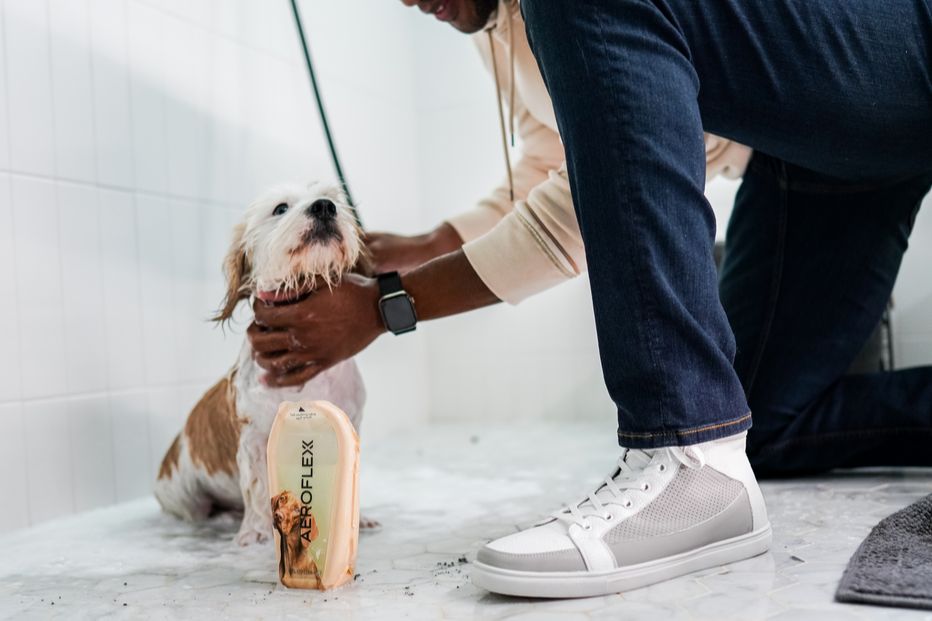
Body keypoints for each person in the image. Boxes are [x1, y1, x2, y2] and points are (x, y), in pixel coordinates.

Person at [247, 0, 932, 598]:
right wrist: (427, 244)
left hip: (895, 39)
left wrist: (388, 306)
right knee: (763, 422)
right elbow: (567, 160)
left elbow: (609, 184)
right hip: (815, 148)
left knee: (718, 440)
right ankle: (716, 454)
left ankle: (686, 454)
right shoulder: (501, 22)